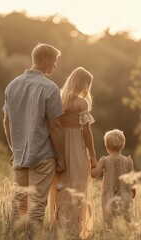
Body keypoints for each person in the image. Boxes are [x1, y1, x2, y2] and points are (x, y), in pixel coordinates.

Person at [3, 43, 65, 239]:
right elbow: (55, 126)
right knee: (37, 204)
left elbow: (7, 121)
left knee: (19, 202)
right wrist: (61, 157)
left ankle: (13, 236)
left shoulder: (12, 85)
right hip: (43, 155)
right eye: (55, 61)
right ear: (46, 61)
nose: (55, 66)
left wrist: (15, 148)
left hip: (20, 154)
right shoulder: (50, 88)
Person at [49, 67, 97, 238]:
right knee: (77, 185)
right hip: (77, 147)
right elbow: (86, 133)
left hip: (59, 146)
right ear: (84, 84)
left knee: (60, 187)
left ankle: (58, 228)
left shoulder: (58, 99)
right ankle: (75, 230)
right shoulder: (81, 103)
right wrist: (93, 155)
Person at [91, 129, 135, 227]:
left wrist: (92, 166)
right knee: (126, 223)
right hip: (125, 195)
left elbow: (94, 175)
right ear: (123, 145)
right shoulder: (128, 161)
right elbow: (133, 180)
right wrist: (133, 191)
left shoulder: (104, 161)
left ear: (107, 147)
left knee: (109, 225)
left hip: (108, 197)